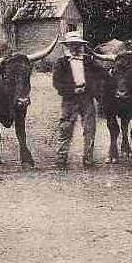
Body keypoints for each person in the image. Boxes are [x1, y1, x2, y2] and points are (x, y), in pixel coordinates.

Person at [52, 31, 105, 170]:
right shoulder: (61, 63)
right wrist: (72, 90)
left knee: (89, 129)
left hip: (87, 99)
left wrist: (90, 88)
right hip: (69, 100)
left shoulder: (89, 61)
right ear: (68, 46)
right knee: (65, 129)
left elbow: (101, 75)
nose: (75, 47)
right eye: (72, 45)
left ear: (82, 46)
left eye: (78, 45)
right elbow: (57, 83)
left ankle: (88, 159)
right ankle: (61, 160)